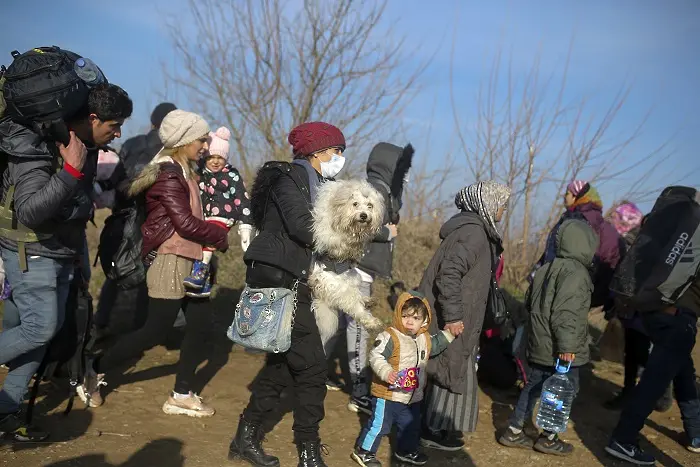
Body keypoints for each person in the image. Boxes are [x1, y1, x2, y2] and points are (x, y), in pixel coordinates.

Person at [0, 83, 133, 441]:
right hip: (31, 248)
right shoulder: (37, 144)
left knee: (41, 336)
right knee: (38, 329)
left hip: (60, 251)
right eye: (115, 124)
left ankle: (6, 411)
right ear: (92, 118)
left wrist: (76, 254)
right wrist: (71, 171)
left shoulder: (84, 146)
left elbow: (74, 207)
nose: (119, 132)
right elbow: (29, 211)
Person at [80, 110, 229, 416]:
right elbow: (185, 223)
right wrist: (219, 234)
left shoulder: (185, 170)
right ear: (185, 140)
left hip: (192, 258)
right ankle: (92, 369)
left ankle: (181, 394)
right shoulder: (167, 174)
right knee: (155, 330)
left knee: (200, 325)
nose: (205, 145)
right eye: (201, 139)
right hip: (170, 259)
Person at [228, 121, 346, 467]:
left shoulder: (322, 186)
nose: (339, 158)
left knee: (281, 366)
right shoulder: (287, 178)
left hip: (299, 281)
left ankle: (244, 439)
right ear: (316, 151)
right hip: (281, 282)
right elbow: (301, 226)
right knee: (312, 368)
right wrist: (343, 239)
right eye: (335, 151)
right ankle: (308, 452)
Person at [418, 180, 511, 451]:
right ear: (488, 204)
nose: (504, 210)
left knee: (449, 367)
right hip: (453, 315)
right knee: (449, 368)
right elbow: (449, 274)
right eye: (502, 205)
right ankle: (430, 429)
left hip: (457, 313)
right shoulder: (474, 234)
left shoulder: (473, 230)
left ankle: (433, 425)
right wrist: (454, 316)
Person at [499, 219, 598, 456]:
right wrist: (567, 347)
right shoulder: (576, 273)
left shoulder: (545, 268)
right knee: (563, 390)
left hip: (539, 344)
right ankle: (549, 437)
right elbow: (567, 314)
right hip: (561, 349)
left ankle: (513, 430)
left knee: (533, 387)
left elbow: (530, 303)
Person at [94, 102, 178, 337]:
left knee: (117, 270)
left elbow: (115, 179)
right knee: (155, 270)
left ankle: (101, 321)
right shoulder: (172, 150)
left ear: (152, 122)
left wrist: (99, 186)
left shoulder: (131, 144)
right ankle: (153, 328)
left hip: (123, 219)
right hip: (155, 222)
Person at [340, 142, 408, 414]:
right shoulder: (374, 191)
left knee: (340, 326)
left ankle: (316, 374)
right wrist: (387, 233)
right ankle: (358, 393)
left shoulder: (385, 192)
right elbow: (359, 224)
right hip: (357, 270)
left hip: (362, 269)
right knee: (356, 330)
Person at [352, 291, 455, 467]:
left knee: (410, 426)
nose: (409, 321)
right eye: (405, 315)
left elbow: (435, 345)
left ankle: (405, 451)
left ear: (424, 321)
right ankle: (364, 451)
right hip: (388, 394)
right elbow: (376, 356)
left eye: (415, 318)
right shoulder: (389, 336)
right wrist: (386, 372)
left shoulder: (424, 339)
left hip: (412, 396)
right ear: (398, 314)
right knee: (380, 425)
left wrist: (449, 334)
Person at [606, 290, 700, 462]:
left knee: (683, 371)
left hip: (661, 311)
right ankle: (623, 439)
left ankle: (695, 433)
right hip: (677, 315)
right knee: (654, 381)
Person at [603, 202, 672, 412]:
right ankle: (628, 392)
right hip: (630, 310)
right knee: (632, 354)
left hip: (647, 311)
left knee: (643, 355)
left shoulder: (664, 250)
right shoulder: (636, 244)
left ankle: (662, 392)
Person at [184, 126, 253, 297]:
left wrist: (245, 226)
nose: (215, 161)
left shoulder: (230, 175)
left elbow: (242, 198)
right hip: (203, 217)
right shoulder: (200, 173)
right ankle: (204, 283)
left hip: (224, 217)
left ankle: (200, 272)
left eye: (220, 158)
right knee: (199, 244)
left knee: (209, 239)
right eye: (212, 157)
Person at [535, 180, 621, 307]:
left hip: (567, 287)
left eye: (567, 193)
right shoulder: (573, 217)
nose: (564, 196)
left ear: (577, 196)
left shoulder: (581, 221)